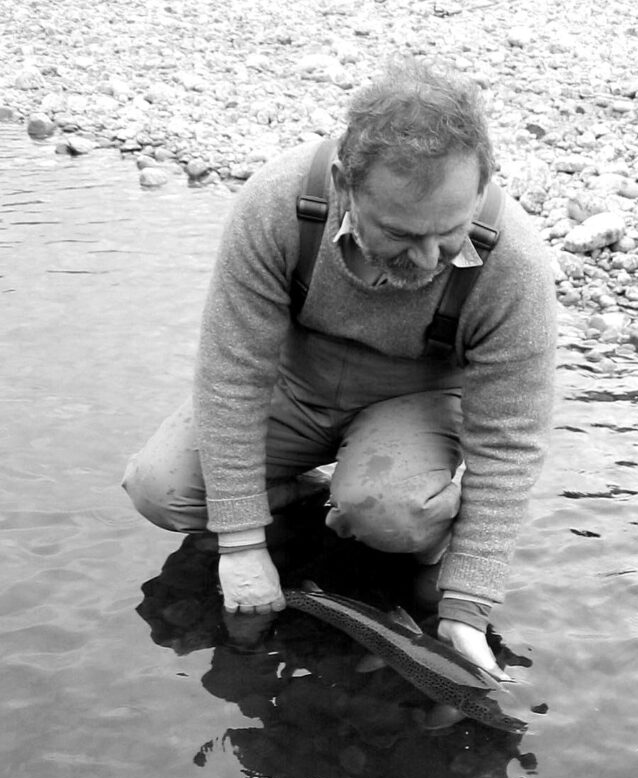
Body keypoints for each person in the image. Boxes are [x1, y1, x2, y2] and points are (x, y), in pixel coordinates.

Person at [123, 58, 557, 683]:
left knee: (391, 516)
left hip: (414, 400)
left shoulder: (514, 265)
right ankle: (303, 497)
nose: (429, 259)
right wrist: (241, 545)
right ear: (344, 185)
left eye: (449, 233)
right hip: (294, 385)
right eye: (401, 234)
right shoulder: (277, 205)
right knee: (159, 488)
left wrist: (467, 603)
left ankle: (421, 514)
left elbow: (509, 443)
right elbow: (232, 379)